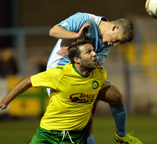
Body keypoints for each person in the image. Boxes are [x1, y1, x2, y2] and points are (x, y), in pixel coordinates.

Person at [0, 36, 107, 144]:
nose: (94, 54)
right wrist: (5, 101)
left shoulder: (100, 74)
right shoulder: (59, 74)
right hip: (46, 134)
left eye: (93, 50)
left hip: (73, 138)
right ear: (76, 59)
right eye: (88, 52)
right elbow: (28, 81)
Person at [48, 12, 142, 144]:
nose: (115, 45)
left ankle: (121, 135)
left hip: (84, 75)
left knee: (116, 96)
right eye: (117, 40)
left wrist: (93, 95)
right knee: (83, 123)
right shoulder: (84, 19)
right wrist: (76, 35)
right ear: (114, 27)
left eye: (118, 43)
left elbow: (94, 68)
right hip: (61, 75)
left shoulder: (107, 43)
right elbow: (54, 31)